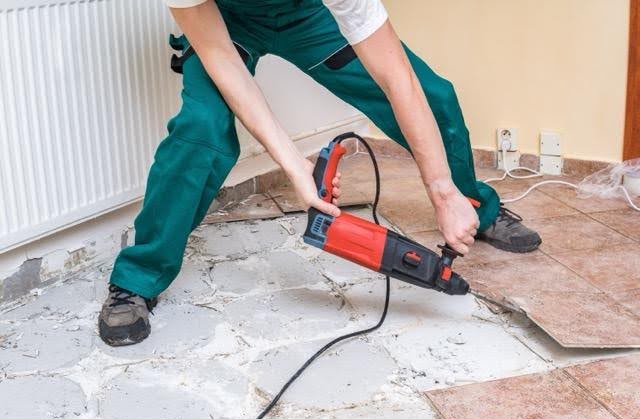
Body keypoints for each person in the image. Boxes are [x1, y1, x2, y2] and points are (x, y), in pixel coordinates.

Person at [99, 0, 541, 346]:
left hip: (309, 16)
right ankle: (137, 278)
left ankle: (472, 207)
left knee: (435, 97)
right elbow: (223, 62)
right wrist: (295, 167)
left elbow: (396, 79)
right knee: (201, 131)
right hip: (224, 20)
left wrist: (442, 192)